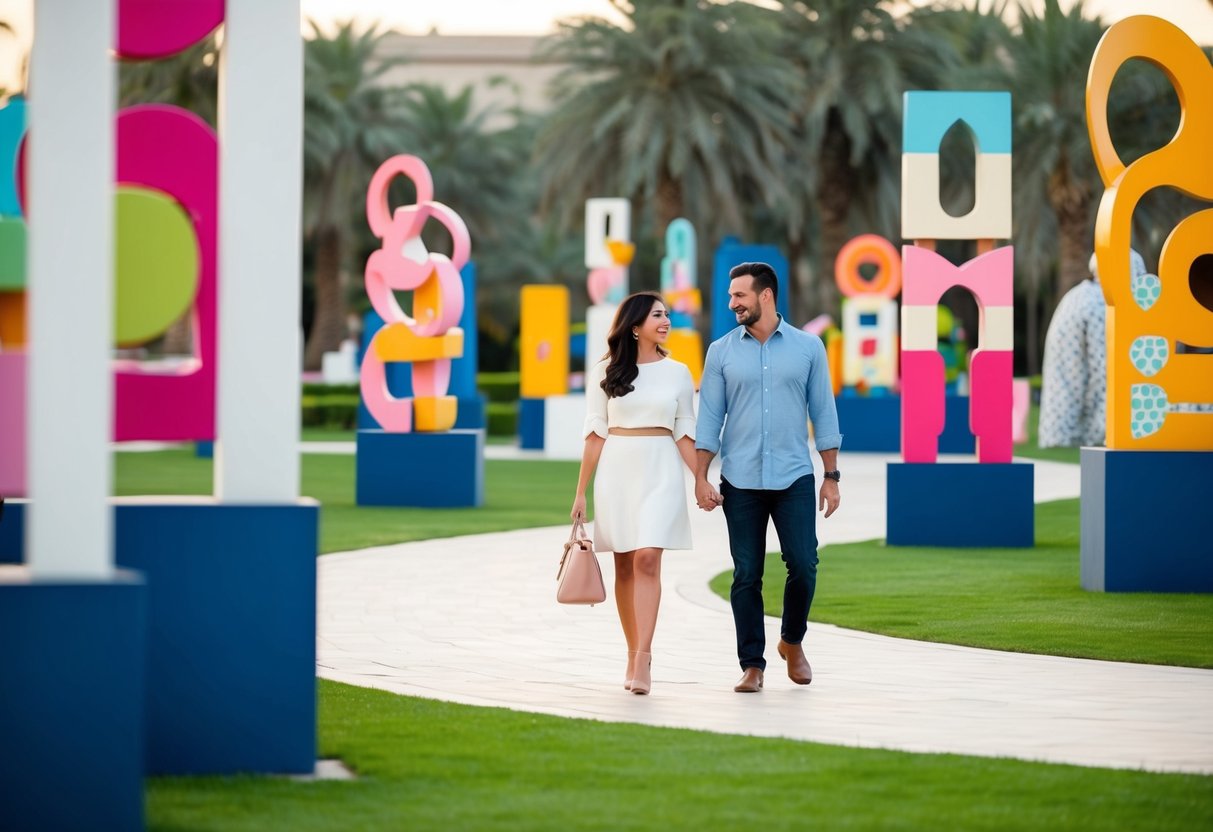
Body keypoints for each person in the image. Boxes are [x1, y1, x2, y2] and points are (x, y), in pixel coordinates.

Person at [695, 262, 842, 693]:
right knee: (746, 574)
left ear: (766, 296)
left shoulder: (809, 348)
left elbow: (824, 414)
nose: (731, 304)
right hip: (740, 480)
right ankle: (752, 665)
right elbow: (709, 420)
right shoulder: (720, 351)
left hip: (794, 475)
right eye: (730, 296)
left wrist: (830, 476)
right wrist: (701, 477)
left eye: (739, 295)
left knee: (804, 564)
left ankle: (792, 641)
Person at [571, 291, 699, 696]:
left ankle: (644, 657)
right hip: (617, 470)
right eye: (657, 315)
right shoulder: (606, 372)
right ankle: (631, 652)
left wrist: (702, 479)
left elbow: (684, 433)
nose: (665, 321)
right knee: (624, 566)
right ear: (635, 325)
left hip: (661, 467)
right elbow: (594, 434)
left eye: (667, 315)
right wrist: (580, 494)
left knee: (647, 559)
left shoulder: (679, 373)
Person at [1037, 249, 1145, 448]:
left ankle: (1060, 437)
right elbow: (1104, 371)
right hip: (1088, 432)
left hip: (1059, 417)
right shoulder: (1101, 304)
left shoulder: (1079, 295)